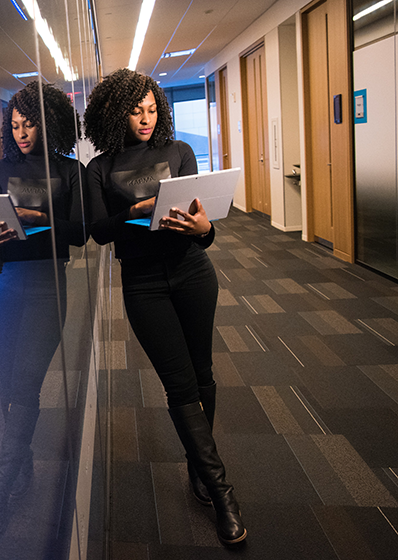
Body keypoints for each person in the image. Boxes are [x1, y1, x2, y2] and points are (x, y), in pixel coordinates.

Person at [82, 68, 247, 545]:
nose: (146, 118)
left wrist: (205, 230)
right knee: (178, 385)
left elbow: (203, 223)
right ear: (116, 113)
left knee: (203, 373)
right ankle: (222, 494)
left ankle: (199, 467)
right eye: (136, 111)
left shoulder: (179, 152)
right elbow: (98, 230)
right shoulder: (100, 168)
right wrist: (132, 212)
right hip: (143, 283)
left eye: (153, 109)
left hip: (193, 271)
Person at [0, 81, 85, 534]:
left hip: (46, 288)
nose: (21, 132)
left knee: (26, 386)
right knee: (6, 385)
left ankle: (0, 491)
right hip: (4, 286)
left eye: (30, 123)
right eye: (15, 125)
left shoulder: (69, 170)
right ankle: (23, 466)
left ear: (49, 121)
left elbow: (80, 234)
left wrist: (40, 218)